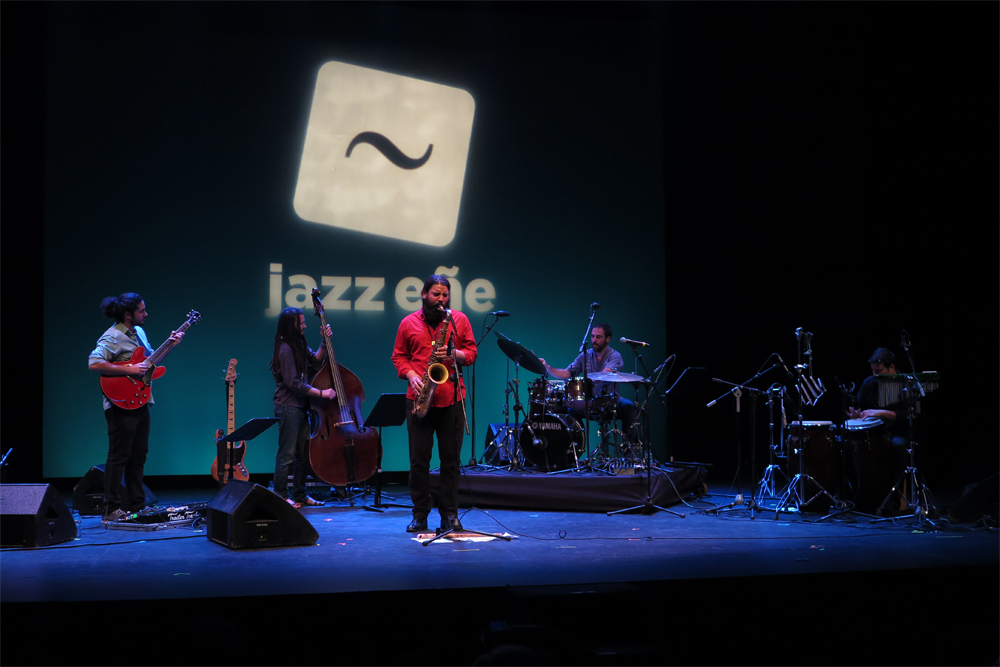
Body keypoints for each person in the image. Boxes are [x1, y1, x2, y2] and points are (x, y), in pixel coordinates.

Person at [391, 275, 477, 533]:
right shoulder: (408, 323)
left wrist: (454, 354)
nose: (441, 299)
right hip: (419, 399)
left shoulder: (458, 320)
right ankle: (420, 515)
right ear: (424, 294)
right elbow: (398, 356)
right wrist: (411, 375)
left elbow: (471, 354)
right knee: (419, 462)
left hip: (451, 398)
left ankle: (450, 515)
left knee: (451, 462)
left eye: (445, 295)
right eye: (436, 294)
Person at [88, 293, 184, 523]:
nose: (146, 314)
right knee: (118, 456)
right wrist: (129, 370)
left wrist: (170, 344)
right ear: (128, 314)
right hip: (120, 402)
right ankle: (111, 510)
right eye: (141, 310)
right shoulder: (113, 336)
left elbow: (150, 362)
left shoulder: (138, 333)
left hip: (141, 400)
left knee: (139, 455)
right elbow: (94, 362)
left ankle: (138, 506)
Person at [269, 307, 336, 509]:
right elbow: (293, 384)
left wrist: (325, 341)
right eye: (302, 323)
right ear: (292, 325)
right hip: (288, 407)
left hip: (300, 407)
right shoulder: (285, 349)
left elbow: (316, 361)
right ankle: (281, 496)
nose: (305, 325)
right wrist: (321, 393)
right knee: (287, 455)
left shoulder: (297, 344)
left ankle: (299, 494)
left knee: (303, 455)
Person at [539, 323, 639, 450]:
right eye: (592, 337)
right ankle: (575, 449)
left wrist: (586, 381)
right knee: (570, 411)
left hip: (610, 400)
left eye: (598, 337)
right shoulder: (585, 355)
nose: (594, 340)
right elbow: (566, 373)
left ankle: (630, 452)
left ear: (607, 339)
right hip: (590, 401)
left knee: (629, 406)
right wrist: (547, 367)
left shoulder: (615, 355)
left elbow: (604, 375)